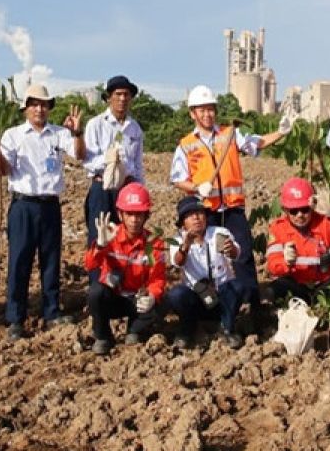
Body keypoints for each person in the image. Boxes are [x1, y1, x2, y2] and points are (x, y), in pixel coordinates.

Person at [170, 85, 290, 308]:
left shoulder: (229, 133)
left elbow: (256, 143)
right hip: (206, 211)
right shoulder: (186, 144)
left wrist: (281, 132)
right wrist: (197, 187)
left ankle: (251, 305)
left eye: (211, 109)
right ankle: (215, 307)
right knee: (210, 258)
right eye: (202, 110)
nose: (207, 115)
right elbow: (177, 178)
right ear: (192, 113)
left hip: (233, 209)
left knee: (242, 256)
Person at [0, 84, 84, 340]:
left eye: (43, 104)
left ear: (49, 108)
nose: (39, 109)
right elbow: (4, 170)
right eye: (34, 104)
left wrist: (77, 132)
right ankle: (15, 317)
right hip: (23, 206)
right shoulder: (14, 135)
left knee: (51, 260)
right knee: (19, 261)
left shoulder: (59, 134)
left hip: (50, 205)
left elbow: (80, 155)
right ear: (25, 108)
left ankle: (51, 312)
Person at [84, 183, 168, 356]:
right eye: (129, 214)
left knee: (161, 302)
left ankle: (134, 330)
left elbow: (157, 279)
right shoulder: (110, 235)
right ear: (120, 214)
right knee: (95, 293)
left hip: (136, 300)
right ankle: (103, 336)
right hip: (113, 297)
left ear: (146, 216)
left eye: (139, 214)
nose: (134, 220)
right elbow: (90, 265)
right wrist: (100, 245)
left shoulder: (154, 243)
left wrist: (152, 296)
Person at [83, 75, 145, 281]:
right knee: (99, 236)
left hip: (126, 191)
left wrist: (139, 191)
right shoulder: (96, 124)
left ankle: (122, 285)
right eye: (118, 94)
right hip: (102, 189)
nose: (122, 99)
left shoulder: (134, 128)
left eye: (126, 95)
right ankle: (96, 285)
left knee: (125, 237)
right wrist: (107, 160)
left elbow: (137, 164)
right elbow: (88, 162)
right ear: (108, 98)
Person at [166, 196, 247, 350]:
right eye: (190, 215)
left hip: (221, 296)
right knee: (176, 294)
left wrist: (231, 249)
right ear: (183, 222)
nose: (196, 218)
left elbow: (236, 253)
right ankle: (187, 329)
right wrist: (186, 246)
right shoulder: (177, 240)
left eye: (199, 213)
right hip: (196, 298)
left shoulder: (219, 233)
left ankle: (227, 327)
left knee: (237, 286)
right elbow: (178, 262)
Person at [266, 177, 330, 304]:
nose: (300, 215)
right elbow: (272, 265)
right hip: (299, 285)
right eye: (294, 211)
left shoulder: (325, 219)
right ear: (285, 210)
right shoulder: (278, 228)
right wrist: (286, 262)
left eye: (304, 209)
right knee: (274, 290)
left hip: (328, 282)